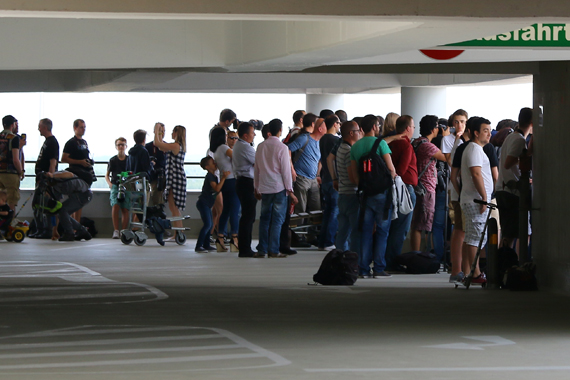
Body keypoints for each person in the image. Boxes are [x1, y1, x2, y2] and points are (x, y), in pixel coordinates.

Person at [350, 114, 397, 278]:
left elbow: (354, 175)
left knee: (365, 231)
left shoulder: (355, 147)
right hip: (382, 194)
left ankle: (363, 269)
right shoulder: (381, 143)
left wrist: (363, 186)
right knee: (383, 232)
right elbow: (391, 170)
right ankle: (378, 268)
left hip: (366, 194)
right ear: (375, 127)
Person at [254, 119, 298, 258]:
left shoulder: (260, 146)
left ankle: (262, 249)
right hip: (279, 188)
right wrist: (290, 190)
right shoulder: (282, 148)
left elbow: (257, 168)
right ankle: (273, 249)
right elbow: (285, 171)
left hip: (265, 187)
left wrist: (256, 187)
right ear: (280, 131)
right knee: (278, 220)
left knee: (264, 219)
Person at [459, 117, 494, 284]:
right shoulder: (474, 149)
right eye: (485, 130)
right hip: (476, 201)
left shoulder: (475, 149)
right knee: (476, 237)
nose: (489, 134)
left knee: (471, 237)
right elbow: (476, 173)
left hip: (473, 199)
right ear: (475, 133)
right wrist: (484, 197)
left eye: (489, 130)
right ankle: (475, 273)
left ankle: (469, 271)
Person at [495, 107, 533, 254]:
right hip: (512, 192)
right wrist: (523, 158)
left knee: (508, 234)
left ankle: (504, 265)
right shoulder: (518, 139)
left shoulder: (512, 137)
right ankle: (514, 266)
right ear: (531, 122)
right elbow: (509, 162)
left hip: (504, 190)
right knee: (521, 233)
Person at [385, 115, 418, 271]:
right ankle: (392, 262)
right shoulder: (406, 146)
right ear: (407, 129)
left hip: (390, 189)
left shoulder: (388, 143)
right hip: (404, 189)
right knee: (401, 228)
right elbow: (402, 170)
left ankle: (385, 259)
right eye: (413, 127)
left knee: (391, 227)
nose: (413, 130)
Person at [410, 115, 447, 252]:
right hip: (426, 188)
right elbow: (447, 158)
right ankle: (418, 255)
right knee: (421, 225)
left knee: (418, 223)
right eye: (438, 127)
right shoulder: (428, 146)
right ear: (433, 129)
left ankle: (418, 254)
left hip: (418, 186)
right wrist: (447, 139)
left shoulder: (416, 142)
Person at [288, 116, 325, 217]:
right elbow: (287, 150)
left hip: (313, 179)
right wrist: (292, 169)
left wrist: (317, 174)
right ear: (320, 129)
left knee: (316, 209)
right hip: (301, 177)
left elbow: (319, 159)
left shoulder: (320, 141)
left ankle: (312, 232)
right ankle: (298, 232)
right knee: (300, 209)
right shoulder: (304, 138)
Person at [334, 121, 362, 252]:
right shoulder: (348, 151)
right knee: (355, 231)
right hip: (351, 195)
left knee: (343, 230)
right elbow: (352, 177)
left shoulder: (341, 148)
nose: (360, 133)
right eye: (357, 131)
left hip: (342, 194)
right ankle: (353, 258)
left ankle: (340, 258)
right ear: (351, 133)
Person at [211, 127, 240, 251]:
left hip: (225, 182)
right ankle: (234, 238)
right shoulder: (224, 148)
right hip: (233, 181)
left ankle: (220, 237)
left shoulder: (216, 150)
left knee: (226, 210)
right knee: (235, 210)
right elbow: (237, 158)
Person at [153, 124, 187, 230]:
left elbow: (157, 143)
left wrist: (157, 130)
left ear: (177, 133)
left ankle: (179, 232)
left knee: (174, 207)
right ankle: (178, 232)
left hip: (176, 179)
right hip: (175, 178)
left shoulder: (176, 146)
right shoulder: (177, 146)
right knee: (174, 207)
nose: (171, 133)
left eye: (173, 131)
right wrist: (158, 133)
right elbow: (159, 145)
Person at [61, 119, 95, 223]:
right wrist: (80, 162)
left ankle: (77, 224)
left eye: (84, 127)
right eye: (81, 127)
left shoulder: (84, 142)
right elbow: (64, 158)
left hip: (85, 174)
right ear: (75, 128)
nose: (83, 129)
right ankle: (71, 224)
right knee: (75, 200)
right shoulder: (71, 143)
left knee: (81, 200)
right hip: (76, 174)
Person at [30, 118, 59, 239]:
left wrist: (49, 179)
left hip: (46, 179)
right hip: (41, 177)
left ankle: (46, 230)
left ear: (45, 127)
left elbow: (53, 162)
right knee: (37, 204)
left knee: (44, 204)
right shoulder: (47, 141)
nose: (38, 129)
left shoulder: (52, 142)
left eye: (40, 127)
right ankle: (40, 229)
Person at [44, 170, 93, 242]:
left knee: (63, 210)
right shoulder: (54, 188)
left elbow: (70, 174)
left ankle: (70, 233)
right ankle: (83, 231)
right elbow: (55, 209)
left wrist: (52, 175)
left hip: (83, 194)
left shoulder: (56, 176)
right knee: (61, 212)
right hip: (78, 195)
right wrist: (54, 231)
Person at [233, 122, 258, 257]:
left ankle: (245, 247)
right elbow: (258, 162)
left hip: (242, 182)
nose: (254, 135)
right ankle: (245, 248)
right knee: (248, 217)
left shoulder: (239, 145)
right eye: (252, 133)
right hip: (247, 182)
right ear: (245, 135)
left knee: (247, 216)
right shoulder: (245, 147)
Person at [195, 156, 229, 252]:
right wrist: (224, 177)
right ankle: (199, 245)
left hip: (207, 204)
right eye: (212, 163)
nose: (215, 164)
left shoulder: (213, 176)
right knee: (207, 224)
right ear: (207, 167)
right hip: (203, 203)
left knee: (209, 225)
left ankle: (206, 245)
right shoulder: (210, 176)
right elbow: (217, 189)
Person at [318, 114, 341, 251]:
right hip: (334, 179)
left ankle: (323, 240)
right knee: (335, 211)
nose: (339, 125)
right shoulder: (334, 140)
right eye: (338, 123)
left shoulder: (323, 139)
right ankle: (329, 241)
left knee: (328, 211)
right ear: (334, 124)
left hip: (325, 177)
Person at [106, 137, 130, 239]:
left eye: (123, 145)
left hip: (127, 185)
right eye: (119, 145)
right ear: (116, 147)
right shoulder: (113, 160)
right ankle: (116, 230)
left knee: (125, 207)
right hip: (115, 184)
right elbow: (107, 174)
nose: (121, 147)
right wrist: (110, 184)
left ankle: (123, 231)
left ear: (126, 146)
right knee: (115, 205)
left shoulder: (129, 159)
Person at [0, 115, 23, 211]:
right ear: (12, 125)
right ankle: (9, 223)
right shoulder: (14, 138)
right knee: (11, 202)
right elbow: (15, 159)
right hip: (10, 173)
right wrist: (21, 171)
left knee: (1, 200)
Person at [145, 122, 167, 206]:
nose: (162, 133)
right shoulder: (148, 147)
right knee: (156, 199)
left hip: (165, 176)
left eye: (164, 131)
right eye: (160, 131)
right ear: (155, 131)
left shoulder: (167, 146)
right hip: (154, 177)